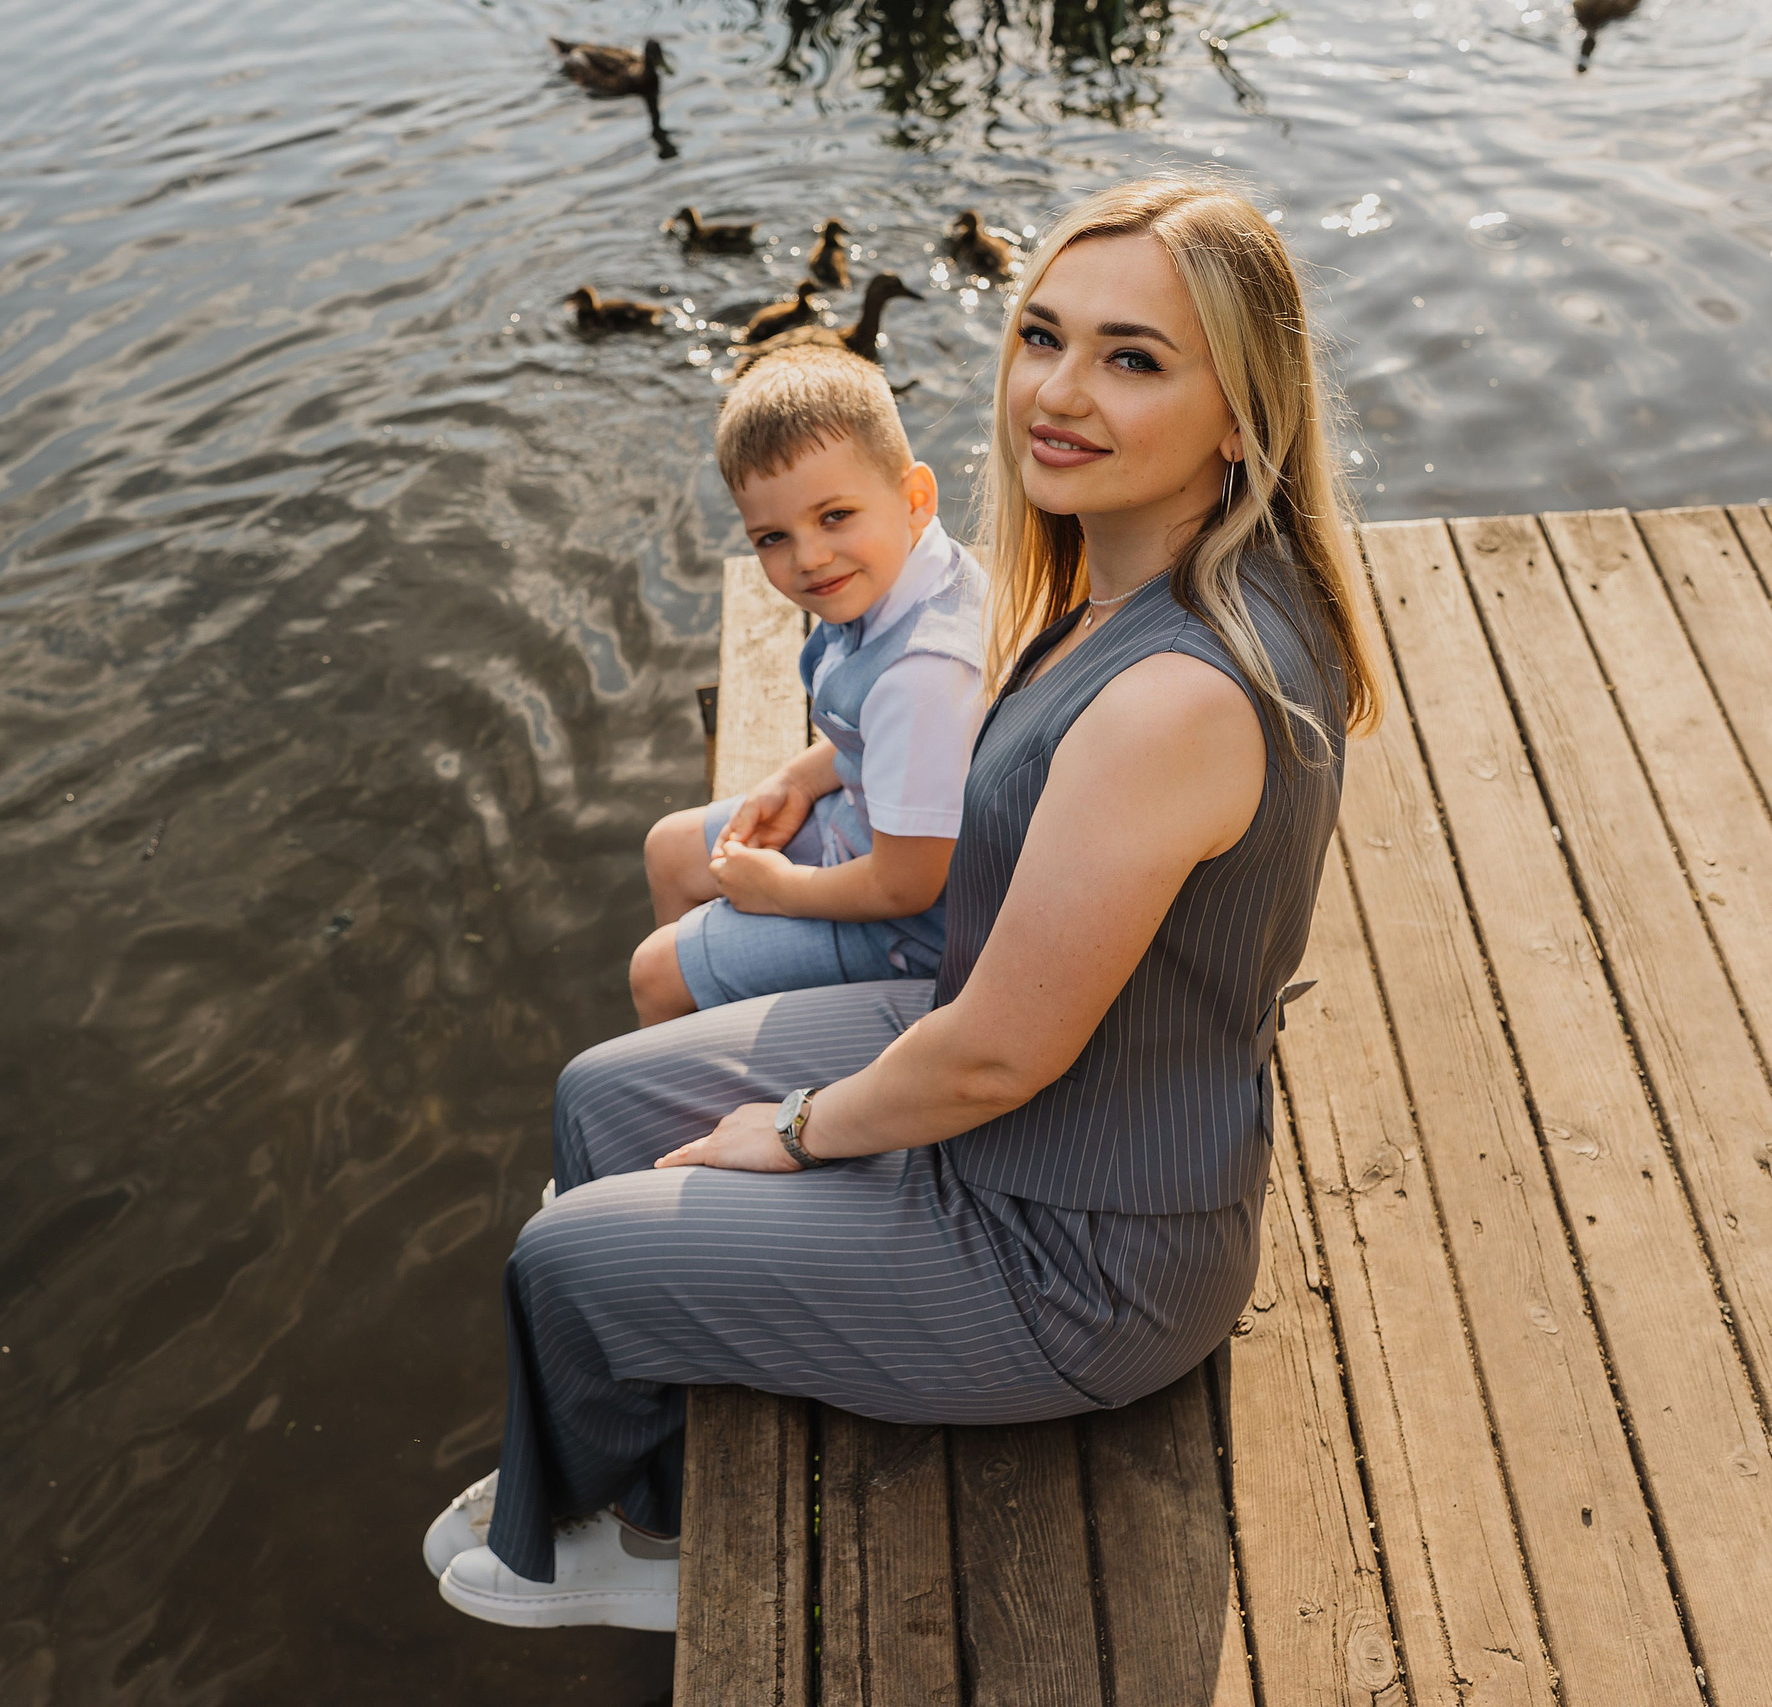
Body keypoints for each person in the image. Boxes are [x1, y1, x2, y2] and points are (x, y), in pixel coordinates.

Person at [424, 175, 1383, 1630]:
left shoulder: (1177, 696)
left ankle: (632, 1541)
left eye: (1133, 358)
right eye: (1043, 335)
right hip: (1030, 1107)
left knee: (560, 1258)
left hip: (1078, 1247)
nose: (1055, 391)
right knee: (598, 1097)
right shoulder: (1123, 583)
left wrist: (799, 1130)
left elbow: (999, 1053)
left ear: (1242, 412)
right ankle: (633, 1411)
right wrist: (824, 767)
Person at [630, 344, 987, 1028]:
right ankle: (723, 1015)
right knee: (670, 850)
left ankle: (697, 1076)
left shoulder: (926, 675)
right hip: (868, 830)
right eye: (771, 537)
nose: (809, 559)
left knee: (655, 971)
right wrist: (795, 781)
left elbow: (906, 884)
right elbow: (880, 743)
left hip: (917, 936)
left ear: (915, 498)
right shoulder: (902, 577)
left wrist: (781, 890)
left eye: (834, 516)